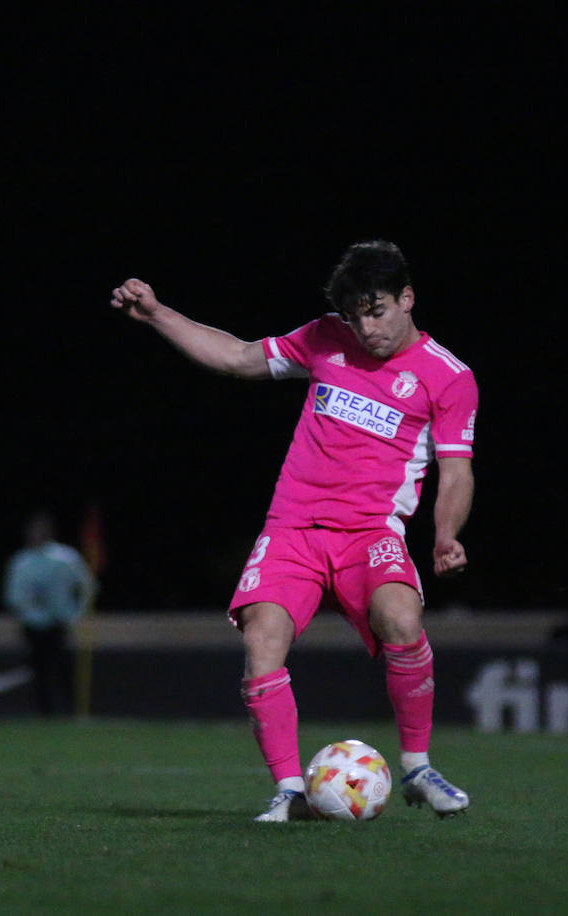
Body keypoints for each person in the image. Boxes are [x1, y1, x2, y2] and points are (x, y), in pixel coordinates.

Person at [110, 240, 476, 821]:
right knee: (261, 640)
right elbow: (237, 357)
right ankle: (290, 790)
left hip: (370, 532)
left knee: (402, 619)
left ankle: (416, 767)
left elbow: (456, 470)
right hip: (293, 529)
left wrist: (446, 534)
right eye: (355, 315)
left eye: (376, 311)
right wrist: (158, 314)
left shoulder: (448, 378)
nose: (365, 328)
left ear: (407, 299)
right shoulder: (326, 338)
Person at [2, 510, 95, 715]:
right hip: (33, 624)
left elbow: (87, 585)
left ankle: (73, 712)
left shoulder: (65, 558)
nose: (36, 535)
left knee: (64, 669)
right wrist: (24, 614)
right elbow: (13, 596)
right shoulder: (21, 561)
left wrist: (76, 614)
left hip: (58, 622)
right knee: (38, 670)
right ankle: (45, 713)